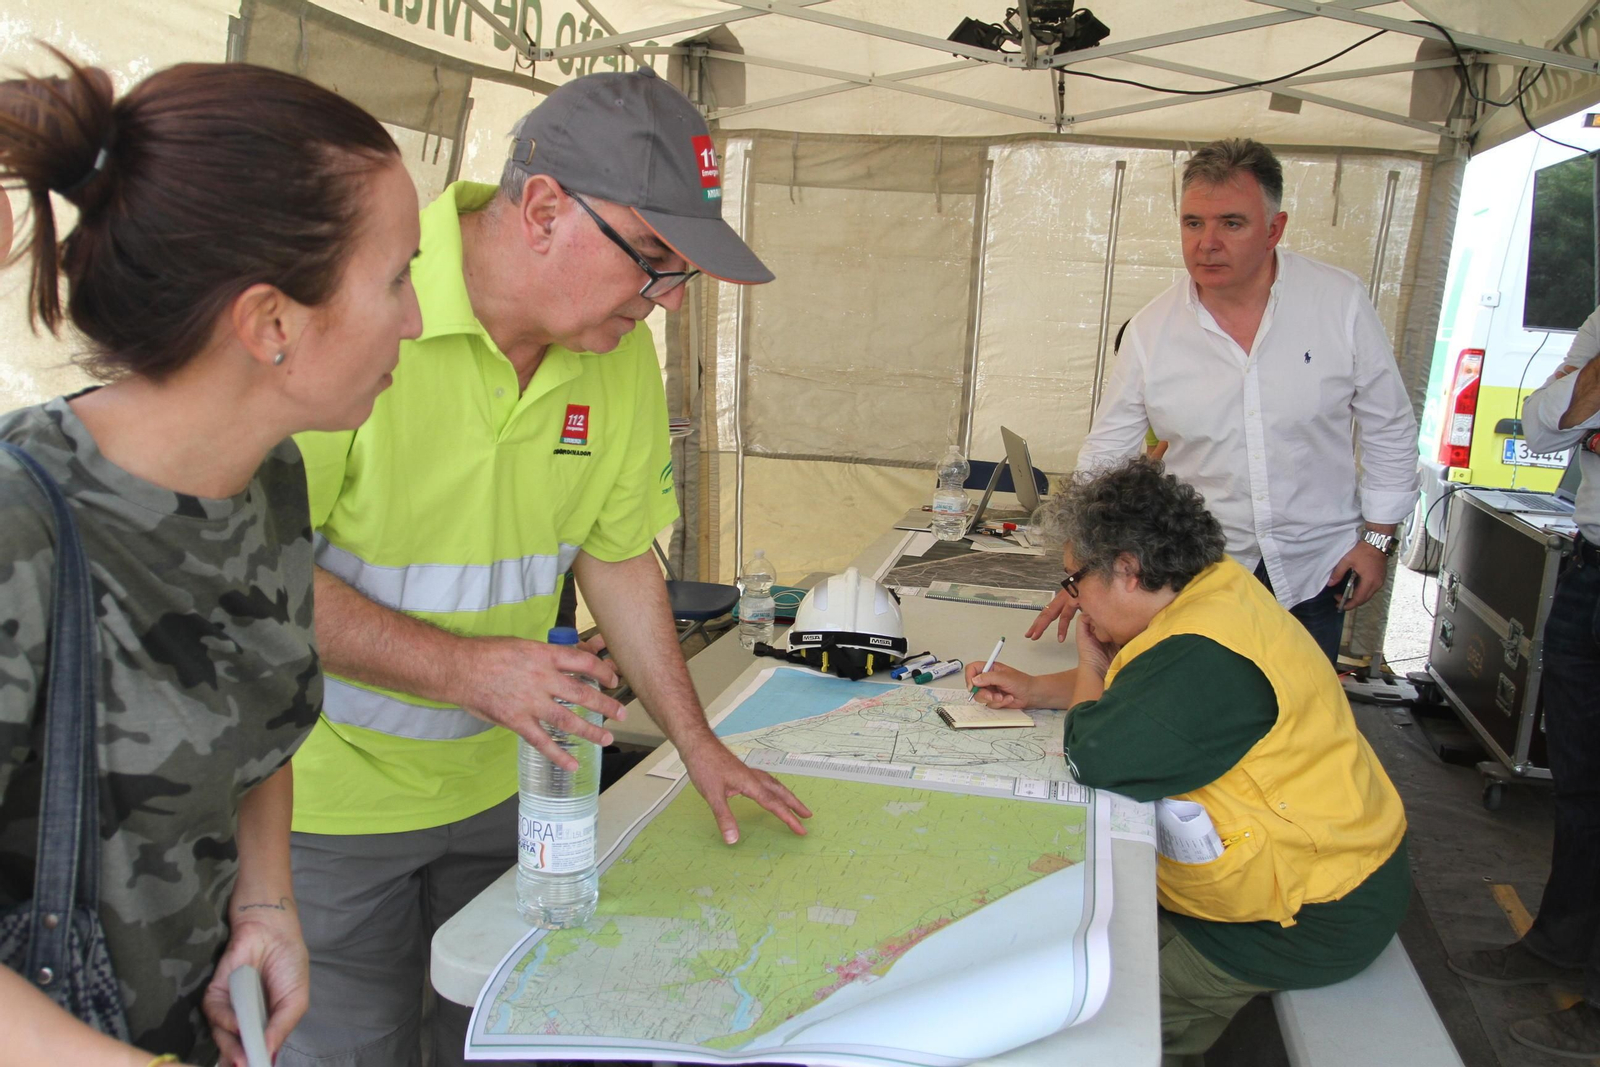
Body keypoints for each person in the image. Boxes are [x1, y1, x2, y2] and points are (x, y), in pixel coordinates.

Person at [279, 66, 811, 1067]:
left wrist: (692, 742)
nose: (662, 302)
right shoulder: (355, 304)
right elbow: (254, 581)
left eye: (679, 275)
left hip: (510, 797)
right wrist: (471, 671)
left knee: (493, 1036)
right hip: (326, 809)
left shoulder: (614, 361)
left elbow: (617, 559)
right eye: (652, 259)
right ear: (542, 208)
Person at [0, 53, 422, 1067]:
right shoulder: (20, 525)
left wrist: (265, 901)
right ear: (271, 322)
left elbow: (254, 723)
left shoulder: (268, 479)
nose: (414, 317)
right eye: (398, 276)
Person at [967, 458, 1410, 1063]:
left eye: (1074, 581)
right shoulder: (1214, 585)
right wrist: (1040, 688)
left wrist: (1092, 666)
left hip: (1304, 916)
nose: (1072, 599)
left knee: (1094, 1028)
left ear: (1126, 570)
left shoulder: (1206, 656)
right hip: (1311, 870)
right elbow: (1151, 692)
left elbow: (1094, 754)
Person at [1028, 137, 1419, 664]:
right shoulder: (1151, 330)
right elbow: (1106, 460)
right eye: (1193, 223)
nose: (1207, 242)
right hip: (1196, 577)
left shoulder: (1339, 303)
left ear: (1274, 230)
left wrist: (1377, 541)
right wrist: (1083, 576)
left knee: (1300, 730)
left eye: (1231, 223)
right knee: (1199, 728)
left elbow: (1389, 426)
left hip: (1315, 570)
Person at [1447, 306, 1600, 1057]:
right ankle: (1560, 942)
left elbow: (1570, 419)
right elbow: (1543, 430)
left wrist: (1582, 403)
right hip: (1591, 565)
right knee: (1579, 785)